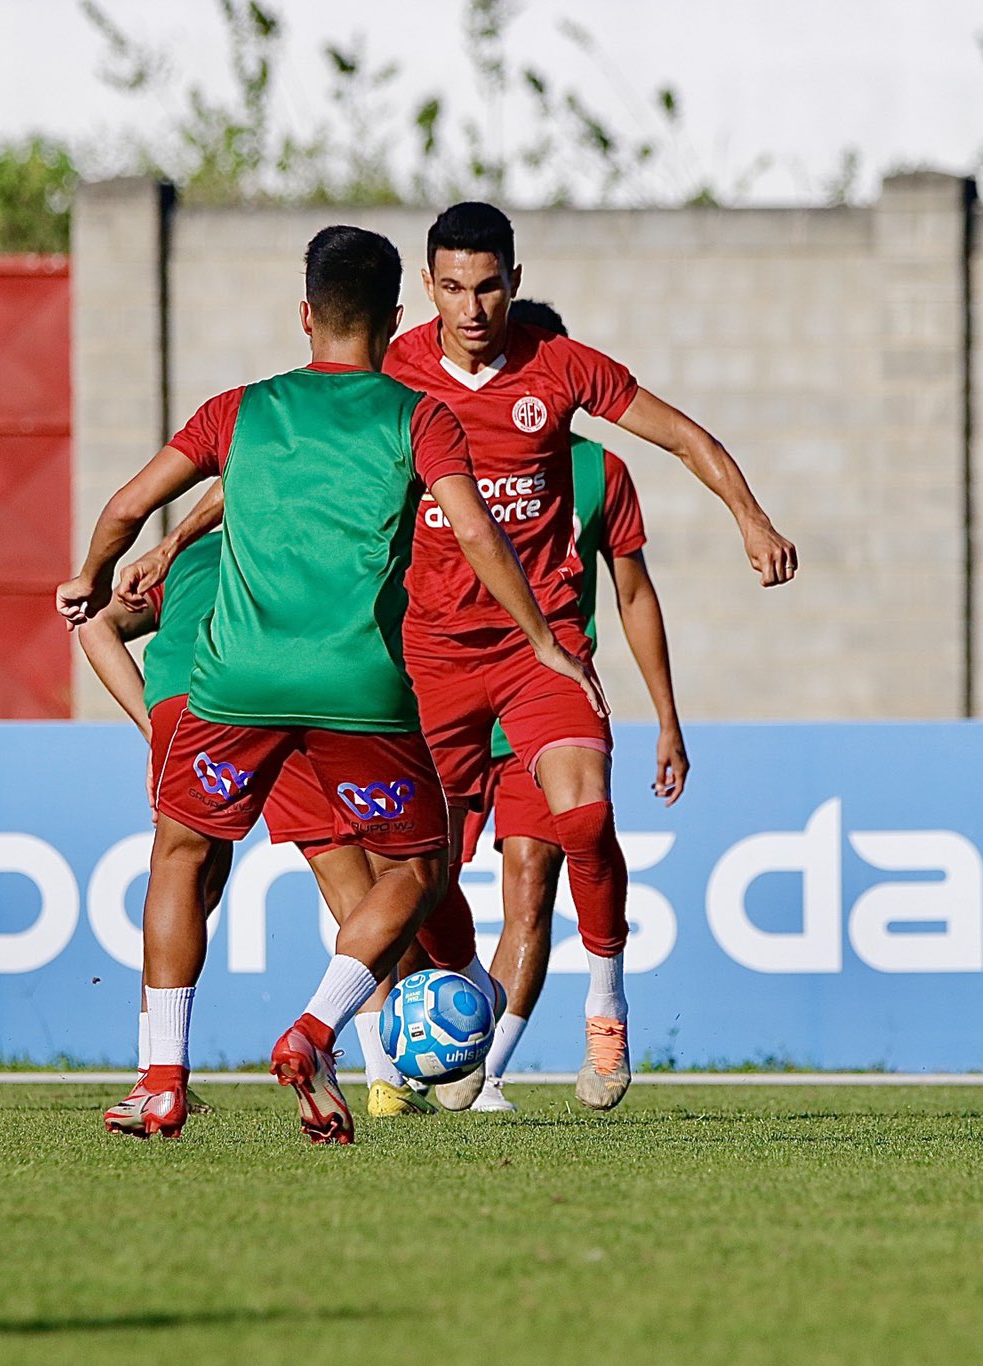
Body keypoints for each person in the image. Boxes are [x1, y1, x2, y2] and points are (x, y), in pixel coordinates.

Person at [130, 204, 797, 1110]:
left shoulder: (561, 369)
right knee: (420, 875)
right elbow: (277, 471)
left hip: (539, 652)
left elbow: (683, 435)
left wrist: (749, 516)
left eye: (488, 286)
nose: (472, 306)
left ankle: (605, 1012)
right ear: (426, 292)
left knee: (585, 820)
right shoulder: (394, 371)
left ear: (514, 282)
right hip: (425, 659)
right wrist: (173, 546)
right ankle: (455, 1010)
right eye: (452, 287)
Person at [57, 225, 598, 1145]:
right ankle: (314, 1029)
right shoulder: (416, 416)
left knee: (181, 855)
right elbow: (474, 534)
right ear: (396, 320)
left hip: (234, 687)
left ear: (304, 313)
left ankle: (159, 1082)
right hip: (358, 688)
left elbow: (124, 507)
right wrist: (543, 638)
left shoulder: (240, 410)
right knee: (420, 871)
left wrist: (93, 577)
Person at [77, 528, 435, 1125]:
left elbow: (94, 624)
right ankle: (383, 1076)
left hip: (189, 706)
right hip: (281, 695)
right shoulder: (304, 541)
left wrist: (152, 727)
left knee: (183, 880)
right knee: (355, 887)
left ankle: (157, 1074)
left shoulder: (185, 555)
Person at [436, 300, 689, 1112]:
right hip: (447, 673)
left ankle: (512, 1062)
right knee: (418, 875)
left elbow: (635, 594)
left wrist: (667, 720)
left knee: (536, 872)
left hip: (548, 685)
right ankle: (444, 1035)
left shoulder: (600, 473)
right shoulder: (432, 443)